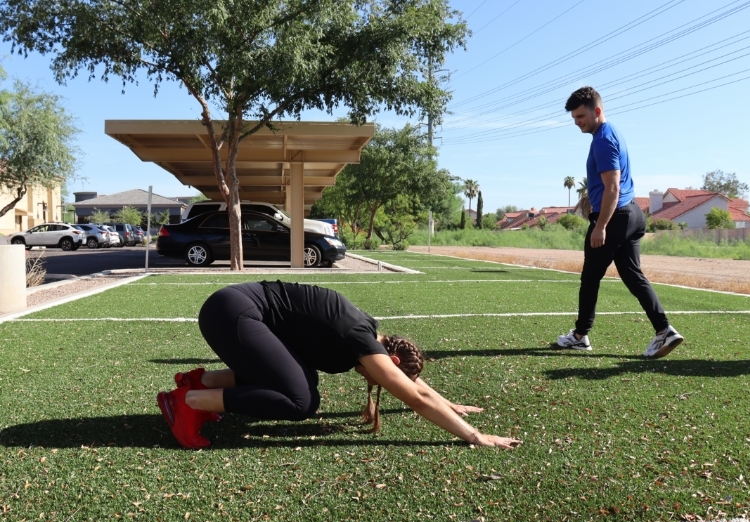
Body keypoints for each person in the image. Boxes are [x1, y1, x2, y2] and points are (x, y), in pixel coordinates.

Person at [157, 280, 520, 450]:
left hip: (236, 309)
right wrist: (474, 435)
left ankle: (200, 381)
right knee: (301, 401)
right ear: (391, 359)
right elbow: (414, 398)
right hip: (232, 313)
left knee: (302, 381)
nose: (378, 381)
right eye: (386, 375)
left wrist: (452, 405)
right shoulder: (360, 339)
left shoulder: (370, 335)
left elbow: (416, 388)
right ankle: (189, 402)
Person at [557, 87, 683, 358]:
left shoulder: (602, 139)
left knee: (590, 276)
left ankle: (580, 336)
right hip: (633, 214)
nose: (577, 122)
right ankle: (664, 331)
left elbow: (613, 187)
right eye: (574, 118)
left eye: (581, 116)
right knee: (632, 275)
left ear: (597, 111)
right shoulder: (612, 132)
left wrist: (601, 225)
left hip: (615, 217)